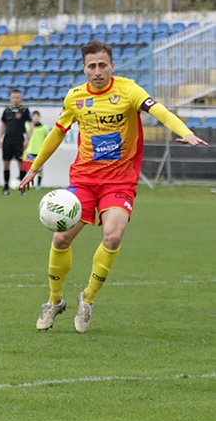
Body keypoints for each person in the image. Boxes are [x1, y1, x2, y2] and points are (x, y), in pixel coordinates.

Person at [18, 40, 208, 333]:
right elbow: (57, 134)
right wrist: (33, 168)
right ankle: (55, 301)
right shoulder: (76, 98)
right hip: (84, 180)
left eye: (102, 65)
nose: (97, 71)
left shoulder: (128, 90)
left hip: (120, 181)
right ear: (84, 69)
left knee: (113, 236)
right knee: (60, 240)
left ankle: (88, 299)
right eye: (91, 66)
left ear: (112, 66)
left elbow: (159, 111)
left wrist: (185, 132)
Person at [0, 88, 32, 196]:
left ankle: (22, 188)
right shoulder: (7, 110)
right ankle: (6, 187)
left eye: (17, 97)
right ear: (11, 98)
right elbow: (3, 125)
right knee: (6, 163)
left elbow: (31, 124)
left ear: (20, 98)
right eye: (13, 98)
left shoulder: (24, 110)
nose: (15, 100)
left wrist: (27, 138)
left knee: (20, 163)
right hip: (8, 138)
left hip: (19, 138)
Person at [21, 110, 48, 190]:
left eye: (37, 116)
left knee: (40, 170)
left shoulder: (44, 128)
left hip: (39, 151)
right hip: (29, 150)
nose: (36, 118)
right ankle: (26, 183)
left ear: (39, 117)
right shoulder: (28, 127)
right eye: (34, 116)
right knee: (27, 169)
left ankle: (38, 185)